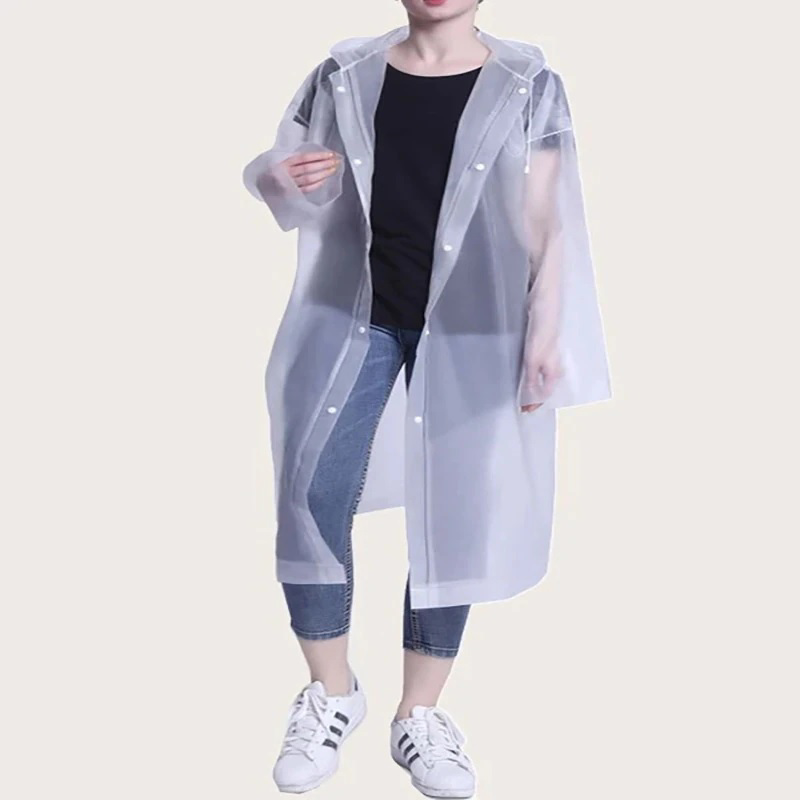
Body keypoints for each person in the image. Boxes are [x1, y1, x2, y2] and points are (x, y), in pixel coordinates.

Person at [242, 1, 611, 796]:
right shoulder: (343, 72)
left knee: (457, 513)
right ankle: (331, 691)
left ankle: (420, 713)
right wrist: (275, 177)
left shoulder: (529, 82)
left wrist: (547, 330)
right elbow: (287, 172)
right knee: (312, 490)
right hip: (350, 313)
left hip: (478, 326)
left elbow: (549, 221)